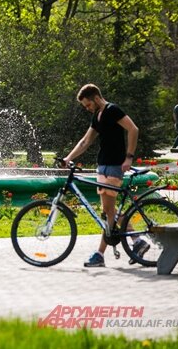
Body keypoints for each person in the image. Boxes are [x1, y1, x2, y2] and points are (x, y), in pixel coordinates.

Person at [62, 84, 147, 267]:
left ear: (96, 98)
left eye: (87, 104)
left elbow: (133, 129)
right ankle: (137, 240)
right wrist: (68, 158)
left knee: (109, 211)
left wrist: (129, 157)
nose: (87, 108)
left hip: (115, 165)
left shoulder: (112, 110)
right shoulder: (97, 116)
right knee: (108, 211)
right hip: (103, 166)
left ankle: (100, 254)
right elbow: (85, 141)